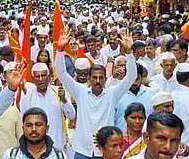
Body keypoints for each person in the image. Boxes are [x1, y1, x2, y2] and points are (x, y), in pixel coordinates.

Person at [56, 29, 137, 159]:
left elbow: (131, 76)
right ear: (89, 78)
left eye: (101, 77)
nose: (97, 81)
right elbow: (62, 74)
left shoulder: (112, 94)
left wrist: (128, 52)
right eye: (94, 77)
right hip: (82, 151)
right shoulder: (80, 92)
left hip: (105, 152)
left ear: (106, 78)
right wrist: (60, 51)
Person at [21, 62, 75, 151]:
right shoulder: (27, 98)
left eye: (43, 75)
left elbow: (72, 116)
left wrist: (64, 100)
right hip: (36, 148)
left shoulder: (59, 92)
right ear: (33, 79)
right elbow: (24, 124)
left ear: (49, 77)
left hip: (57, 145)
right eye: (37, 76)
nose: (41, 79)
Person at [115, 63, 156, 131]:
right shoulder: (116, 94)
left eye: (136, 79)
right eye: (131, 79)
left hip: (145, 138)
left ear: (142, 77)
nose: (134, 83)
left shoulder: (152, 94)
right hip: (121, 138)